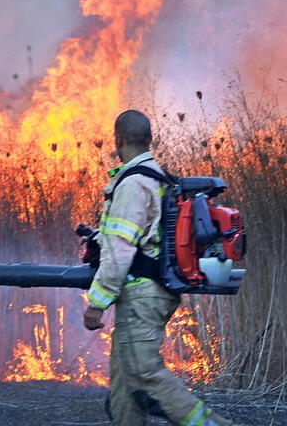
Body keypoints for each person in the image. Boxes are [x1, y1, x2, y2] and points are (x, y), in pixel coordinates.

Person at [83, 110, 232, 426]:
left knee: (145, 375)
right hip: (149, 291)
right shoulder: (158, 177)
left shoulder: (133, 183)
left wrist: (97, 302)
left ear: (118, 140)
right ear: (150, 140)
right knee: (125, 386)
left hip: (141, 294)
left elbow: (121, 250)